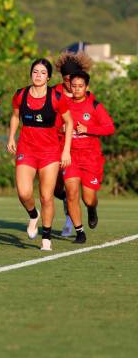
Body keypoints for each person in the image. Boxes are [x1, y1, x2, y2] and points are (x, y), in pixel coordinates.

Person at [7, 58, 73, 251]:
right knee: (24, 192)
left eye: (43, 73)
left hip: (49, 152)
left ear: (49, 77)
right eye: (35, 72)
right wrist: (11, 136)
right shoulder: (20, 94)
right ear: (31, 74)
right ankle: (33, 214)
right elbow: (14, 115)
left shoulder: (56, 97)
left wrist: (66, 150)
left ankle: (46, 237)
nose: (38, 75)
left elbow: (69, 122)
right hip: (26, 149)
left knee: (46, 196)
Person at [62, 71, 114, 242]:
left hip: (91, 158)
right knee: (71, 193)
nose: (76, 89)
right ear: (70, 86)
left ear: (87, 87)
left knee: (88, 198)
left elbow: (109, 128)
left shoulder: (95, 106)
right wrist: (60, 129)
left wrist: (88, 129)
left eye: (80, 86)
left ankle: (92, 208)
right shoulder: (63, 105)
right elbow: (53, 126)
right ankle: (80, 231)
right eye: (74, 86)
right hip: (70, 157)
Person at [52, 51, 93, 237]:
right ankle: (68, 205)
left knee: (74, 189)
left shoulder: (84, 95)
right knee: (55, 187)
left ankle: (72, 218)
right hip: (55, 145)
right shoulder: (54, 92)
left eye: (73, 79)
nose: (70, 82)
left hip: (77, 150)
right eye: (66, 78)